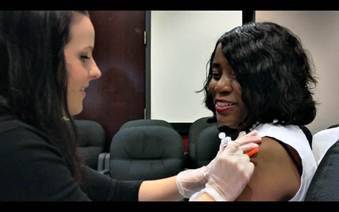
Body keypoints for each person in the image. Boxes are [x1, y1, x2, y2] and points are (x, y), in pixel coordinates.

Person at [0, 11, 261, 201]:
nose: (96, 71)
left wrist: (200, 177)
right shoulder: (14, 144)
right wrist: (216, 194)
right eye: (83, 56)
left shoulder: (35, 132)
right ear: (39, 61)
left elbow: (110, 192)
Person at [195, 22, 318, 201]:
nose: (219, 86)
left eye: (239, 76)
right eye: (216, 75)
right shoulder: (280, 132)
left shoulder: (262, 151)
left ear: (272, 83)